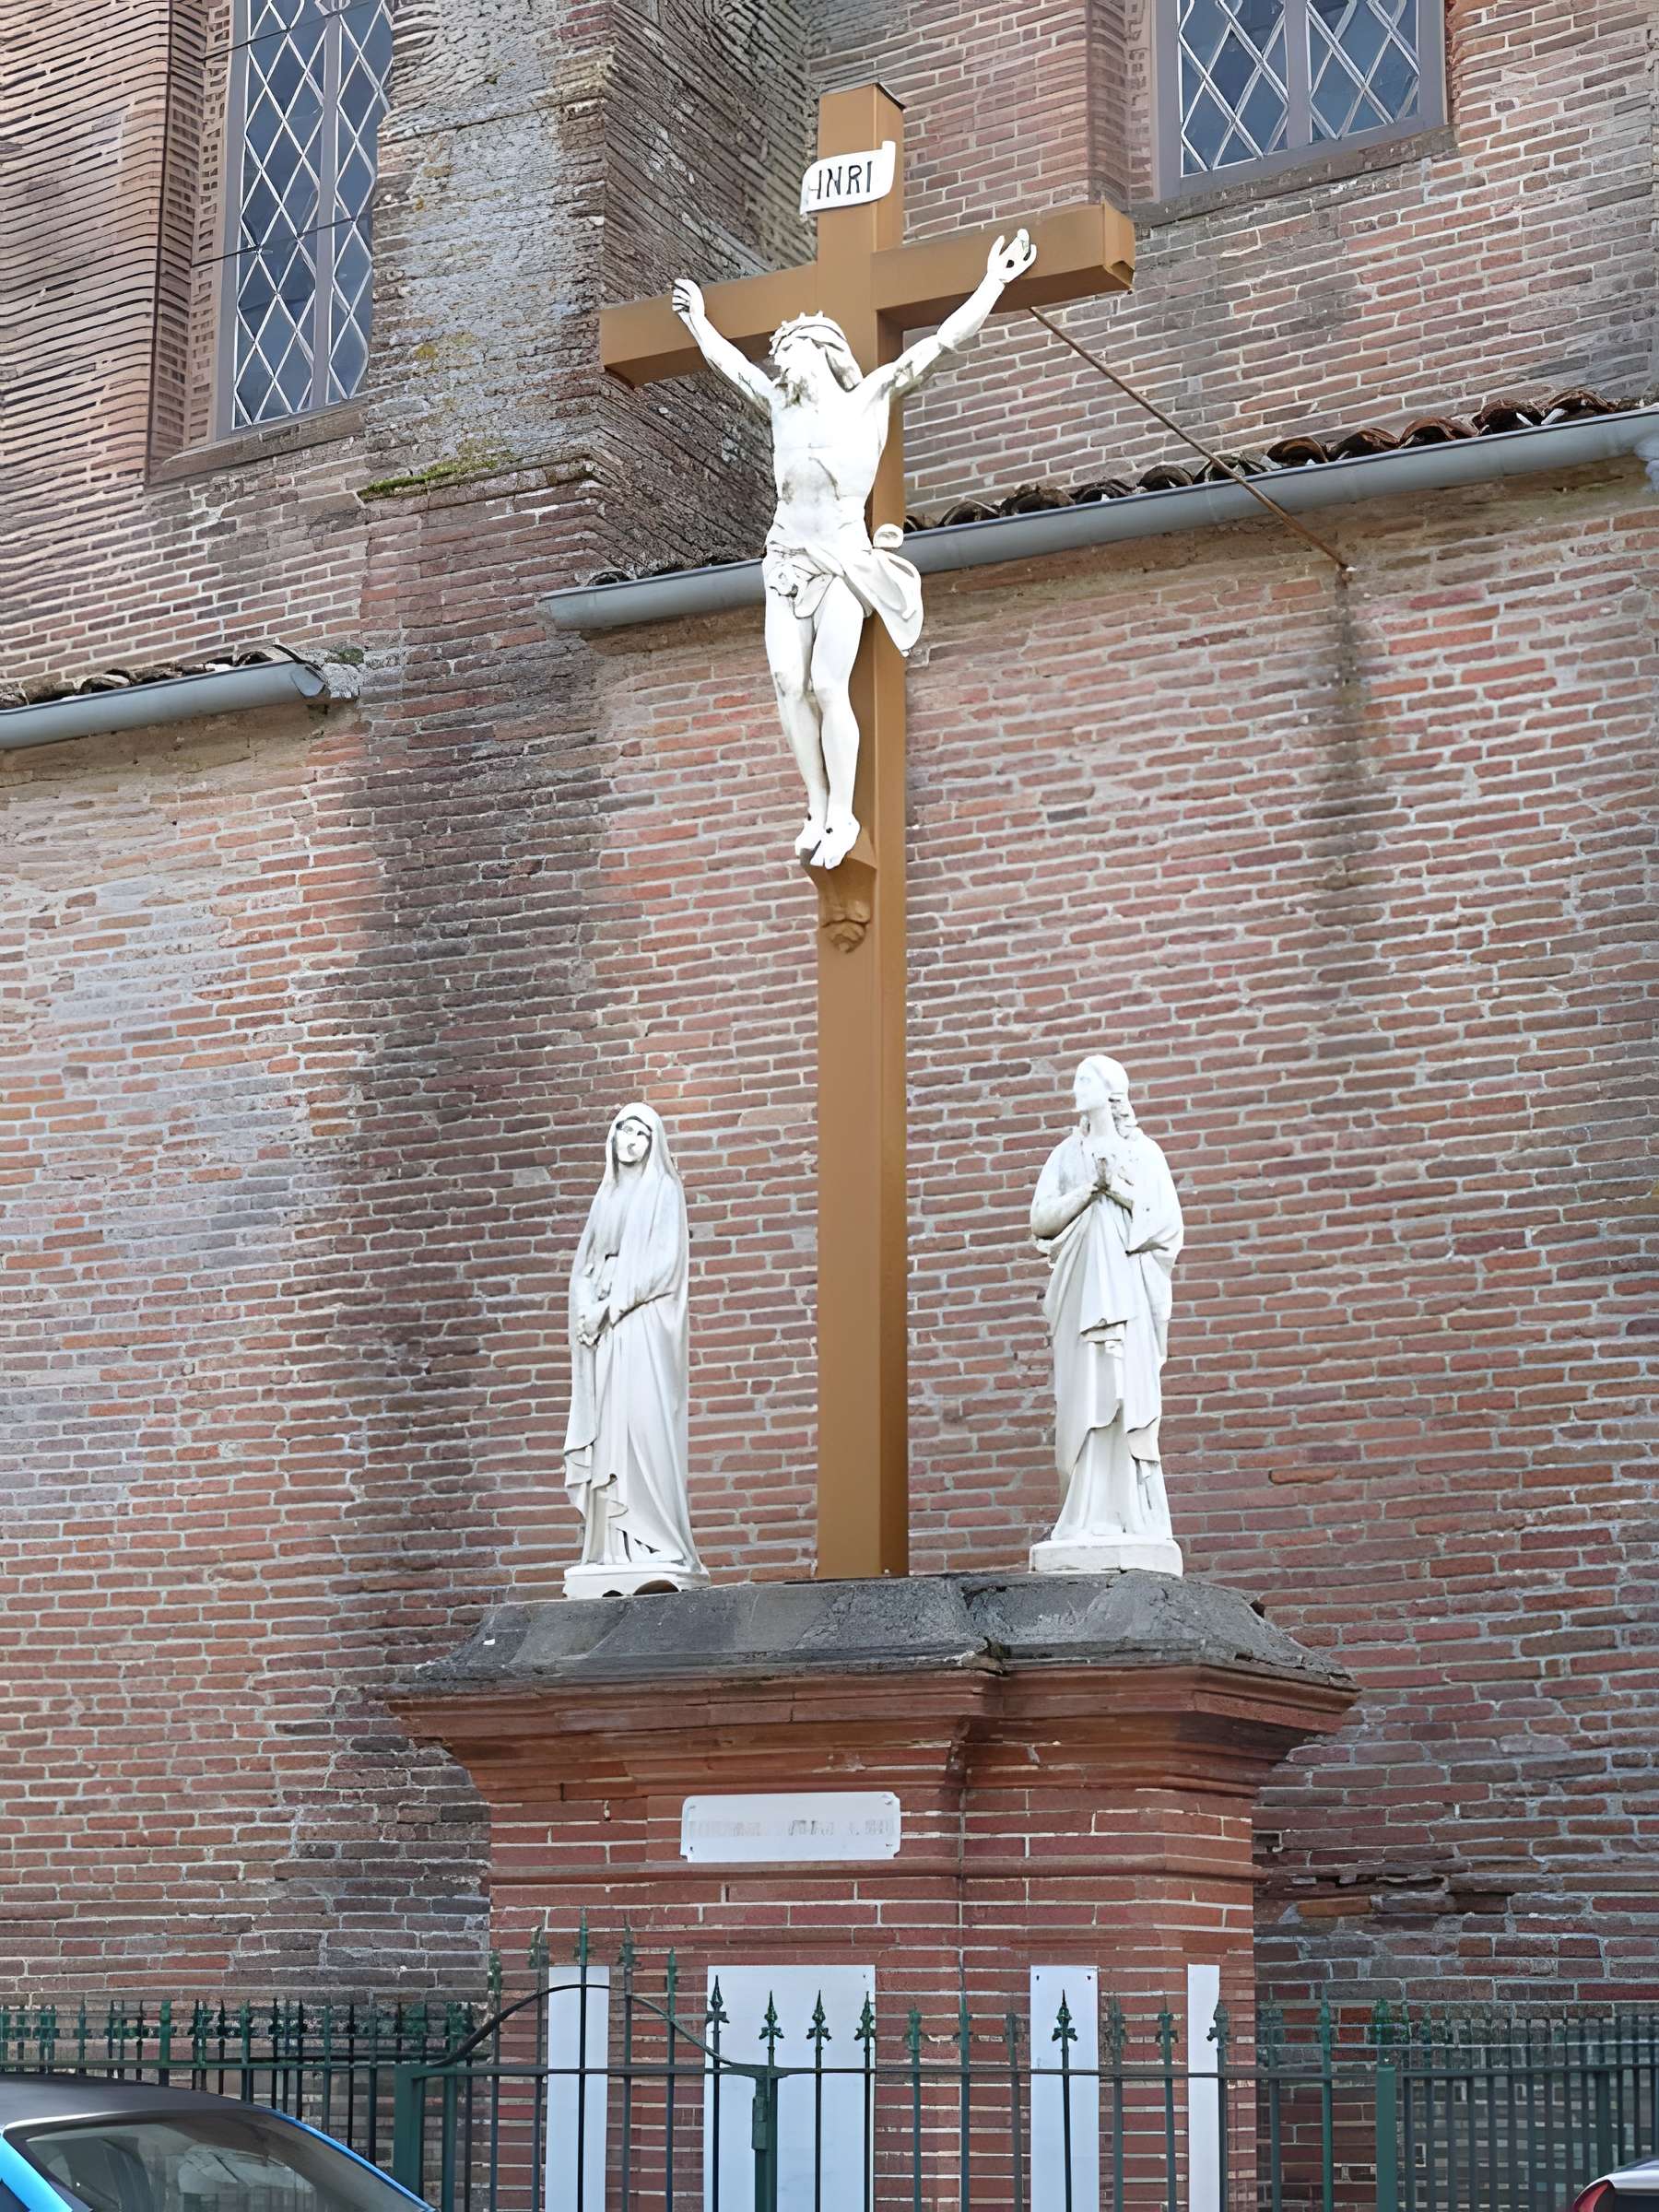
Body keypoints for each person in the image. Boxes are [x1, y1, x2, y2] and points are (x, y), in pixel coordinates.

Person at [670, 229, 1038, 870]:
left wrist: (994, 282)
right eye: (778, 354)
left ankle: (842, 812)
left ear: (820, 350)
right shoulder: (780, 407)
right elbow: (732, 367)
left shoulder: (869, 398)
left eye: (789, 350)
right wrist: (699, 321)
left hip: (841, 561)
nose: (780, 363)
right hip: (786, 559)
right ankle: (815, 806)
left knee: (825, 682)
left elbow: (941, 344)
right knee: (787, 682)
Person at [1030, 1056, 1184, 1557]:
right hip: (1080, 1295)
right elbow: (1042, 1220)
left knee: (1126, 1391)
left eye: (1085, 1080)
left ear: (1111, 1090)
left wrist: (1114, 1187)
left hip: (1128, 1296)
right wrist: (1088, 1189)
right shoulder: (1065, 1155)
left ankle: (1133, 1513)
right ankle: (1083, 1513)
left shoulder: (1143, 1152)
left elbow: (1166, 1223)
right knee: (1084, 1393)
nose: (1076, 1088)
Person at [563, 1103, 702, 1584]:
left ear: (653, 1143)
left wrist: (612, 1306)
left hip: (642, 1327)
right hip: (604, 1336)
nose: (632, 1140)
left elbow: (665, 1265)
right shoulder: (605, 1197)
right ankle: (611, 1550)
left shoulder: (663, 1190)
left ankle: (658, 1540)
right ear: (613, 1136)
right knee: (609, 1433)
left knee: (644, 1424)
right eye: (625, 1129)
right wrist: (586, 1308)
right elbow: (585, 1265)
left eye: (643, 1134)